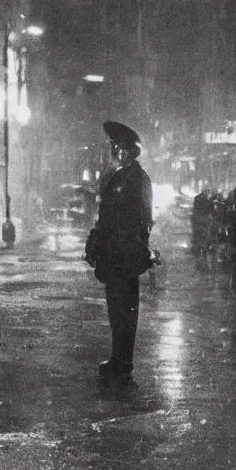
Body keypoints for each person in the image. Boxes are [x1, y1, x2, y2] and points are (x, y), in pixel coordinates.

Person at [84, 121, 154, 379]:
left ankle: (123, 362)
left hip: (124, 255)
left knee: (124, 311)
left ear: (125, 149)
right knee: (116, 309)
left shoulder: (136, 178)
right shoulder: (119, 175)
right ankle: (118, 358)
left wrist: (123, 244)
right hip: (115, 255)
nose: (112, 150)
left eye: (115, 146)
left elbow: (141, 219)